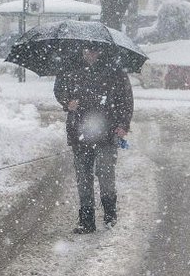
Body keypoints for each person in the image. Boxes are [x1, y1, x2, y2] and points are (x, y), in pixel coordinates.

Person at [54, 44, 133, 234]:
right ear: (82, 50)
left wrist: (123, 125)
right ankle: (86, 220)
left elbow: (126, 99)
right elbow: (59, 90)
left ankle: (110, 214)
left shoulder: (115, 70)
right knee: (83, 177)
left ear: (101, 51)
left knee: (105, 175)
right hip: (79, 132)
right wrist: (67, 102)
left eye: (95, 50)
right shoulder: (70, 66)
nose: (91, 54)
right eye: (88, 50)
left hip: (107, 132)